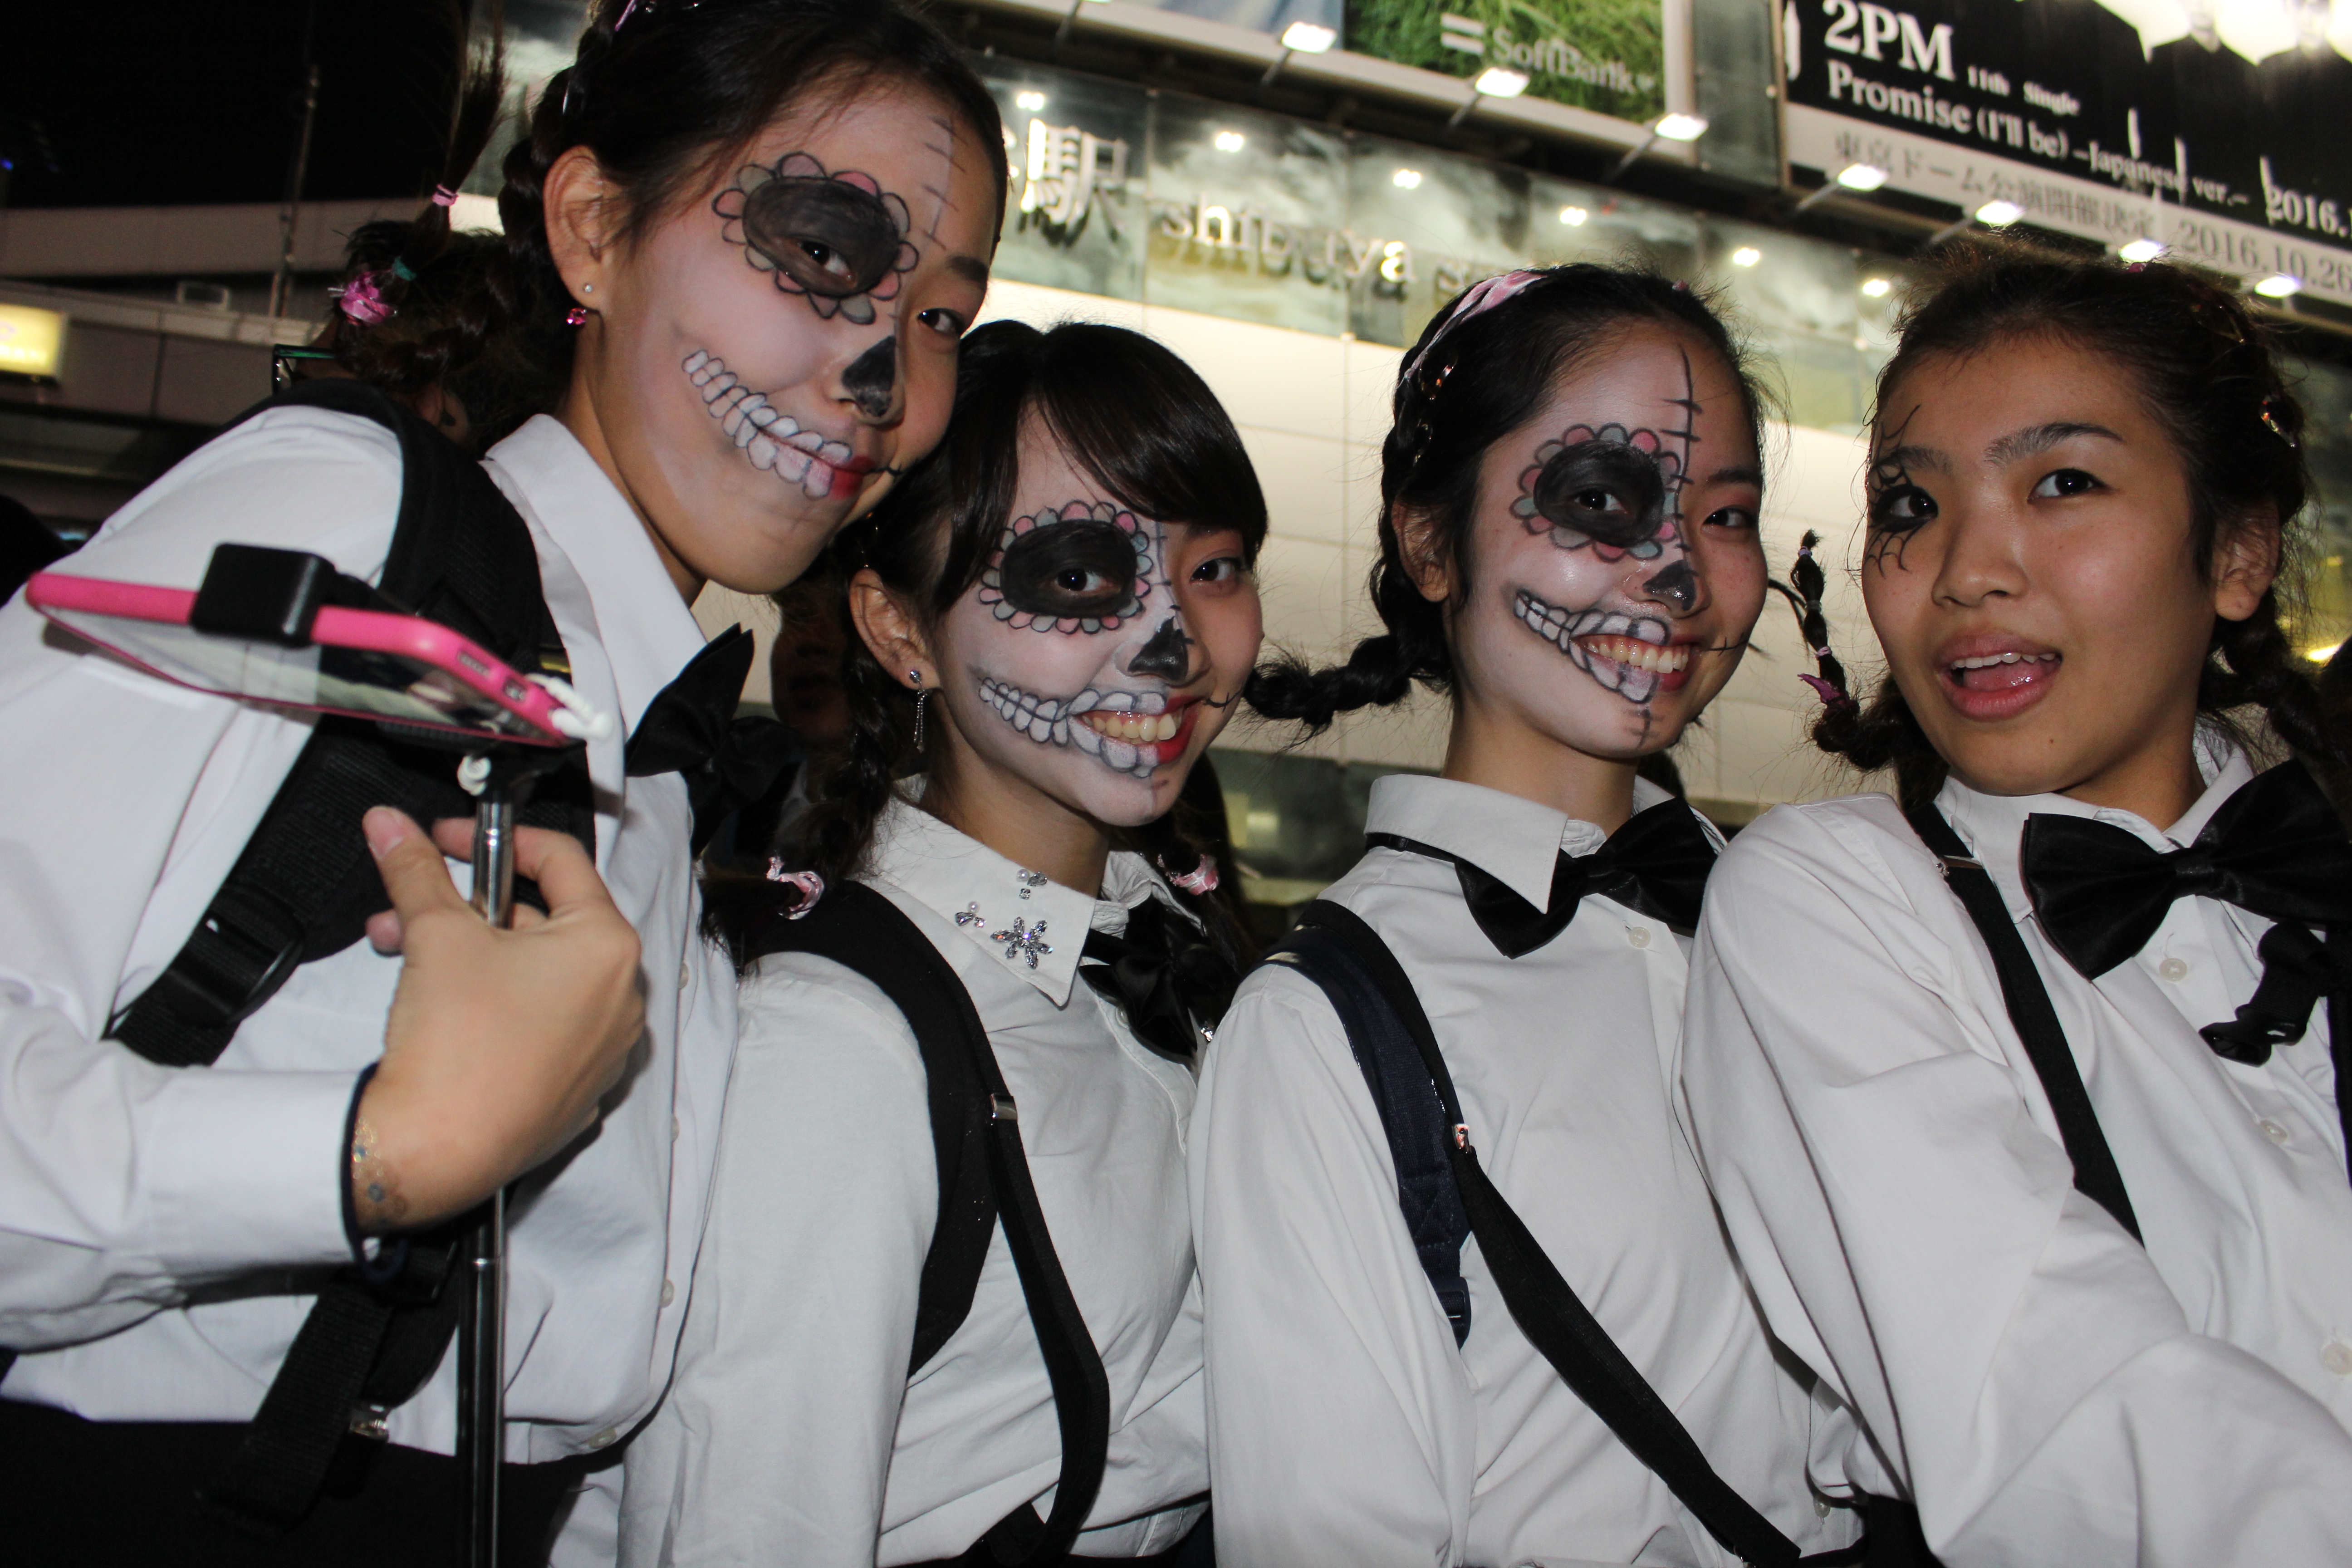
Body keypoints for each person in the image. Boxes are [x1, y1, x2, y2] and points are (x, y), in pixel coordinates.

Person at [0, 0, 1004, 1561]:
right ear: (595, 231)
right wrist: (375, 1154)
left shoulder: (662, 769)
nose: (880, 376)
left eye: (942, 316)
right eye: (822, 248)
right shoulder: (350, 523)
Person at [1681, 250, 2352, 1565]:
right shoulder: (1835, 905)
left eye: (2062, 483)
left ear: (2238, 550)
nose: (1967, 569)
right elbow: (2059, 1406)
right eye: (1910, 505)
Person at [1194, 265, 1860, 1565]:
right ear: (1429, 540)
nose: (1677, 575)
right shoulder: (1321, 1029)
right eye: (1600, 498)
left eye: (1724, 515)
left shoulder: (1828, 930)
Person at [622, 319, 1264, 1566]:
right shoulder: (840, 1046)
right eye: (1077, 575)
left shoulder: (1189, 964)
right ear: (900, 630)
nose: (1174, 642)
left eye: (1218, 566)